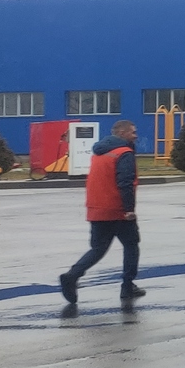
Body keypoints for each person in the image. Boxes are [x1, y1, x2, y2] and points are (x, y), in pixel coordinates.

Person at [60, 120, 143, 305]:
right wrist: (129, 209)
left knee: (98, 248)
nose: (135, 136)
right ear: (122, 133)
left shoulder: (99, 152)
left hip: (96, 207)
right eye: (133, 132)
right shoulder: (124, 153)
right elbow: (125, 182)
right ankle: (127, 286)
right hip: (118, 209)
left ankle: (72, 275)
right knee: (131, 245)